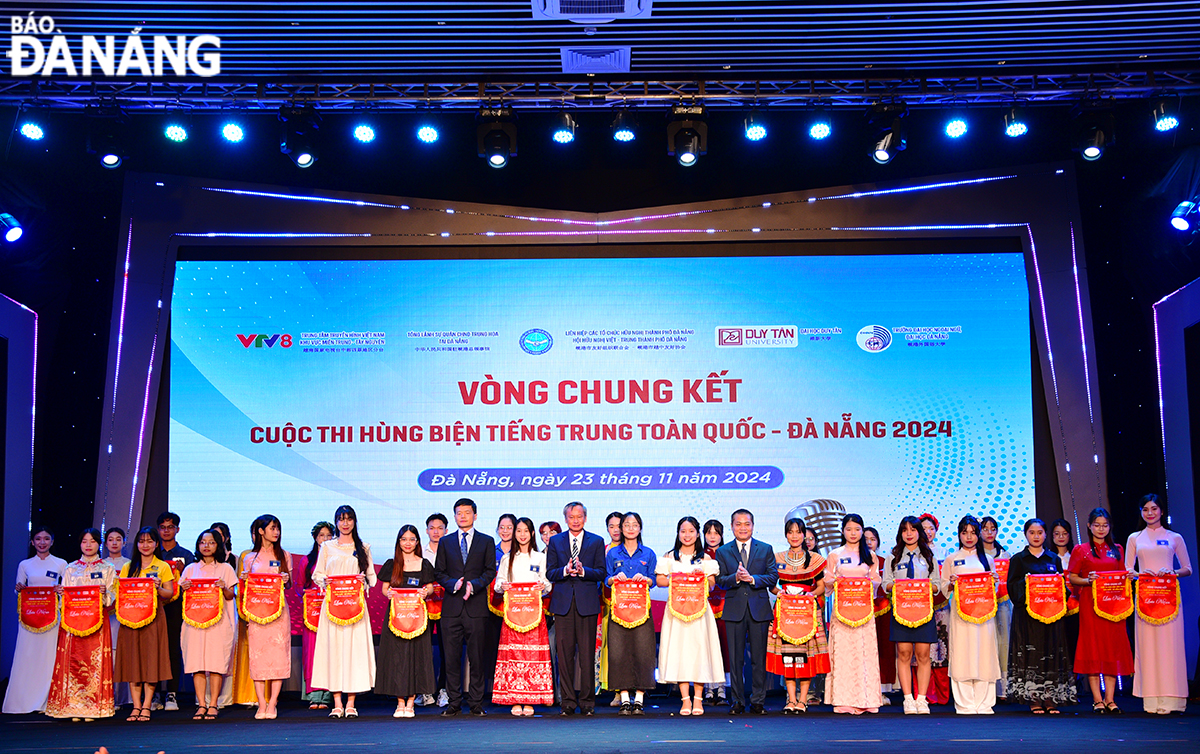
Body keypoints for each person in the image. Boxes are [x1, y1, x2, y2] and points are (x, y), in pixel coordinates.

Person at [1125, 494, 1192, 714]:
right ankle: (1151, 700)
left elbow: (1187, 568)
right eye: (1145, 509)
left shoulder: (1175, 537)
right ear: (1141, 512)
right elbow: (1128, 570)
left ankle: (1173, 701)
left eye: (1154, 509)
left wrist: (1172, 572)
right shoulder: (1135, 538)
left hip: (1169, 598)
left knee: (1170, 646)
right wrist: (1138, 574)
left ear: (1162, 511)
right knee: (1148, 647)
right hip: (1145, 598)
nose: (1150, 513)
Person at [433, 498, 497, 716]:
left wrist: (473, 585)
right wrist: (453, 584)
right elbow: (439, 572)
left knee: (477, 658)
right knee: (451, 659)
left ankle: (476, 703)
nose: (463, 516)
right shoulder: (445, 542)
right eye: (459, 513)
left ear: (475, 516)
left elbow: (489, 571)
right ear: (454, 516)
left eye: (467, 513)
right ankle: (454, 702)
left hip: (477, 608)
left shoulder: (486, 541)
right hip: (451, 609)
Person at [312, 504, 377, 718]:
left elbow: (372, 579)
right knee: (335, 651)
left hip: (355, 608)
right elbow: (317, 575)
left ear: (354, 522)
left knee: (353, 652)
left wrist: (363, 580)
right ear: (337, 522)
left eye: (349, 519)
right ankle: (337, 703)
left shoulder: (363, 547)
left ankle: (351, 703)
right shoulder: (327, 547)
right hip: (332, 607)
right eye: (341, 519)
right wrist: (326, 581)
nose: (345, 523)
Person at [46, 528, 118, 720]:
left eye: (92, 541)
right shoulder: (70, 568)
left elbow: (112, 598)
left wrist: (105, 593)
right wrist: (61, 593)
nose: (88, 545)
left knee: (94, 664)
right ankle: (72, 707)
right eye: (84, 541)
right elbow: (64, 600)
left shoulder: (107, 568)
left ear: (98, 544)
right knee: (73, 663)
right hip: (72, 624)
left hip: (97, 624)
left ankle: (94, 708)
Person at [1006, 518, 1076, 713]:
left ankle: (1051, 699)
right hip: (1027, 618)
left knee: (1050, 655)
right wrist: (1028, 584)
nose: (1036, 536)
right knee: (1032, 656)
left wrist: (1055, 585)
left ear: (1045, 535)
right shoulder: (1018, 559)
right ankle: (1034, 699)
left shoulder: (1054, 559)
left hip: (1051, 617)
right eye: (1032, 532)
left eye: (1040, 532)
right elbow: (1012, 589)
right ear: (1025, 535)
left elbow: (1064, 590)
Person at [1068, 507, 1134, 714]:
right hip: (1091, 605)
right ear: (1089, 526)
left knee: (1111, 650)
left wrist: (1128, 577)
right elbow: (1072, 577)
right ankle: (1097, 700)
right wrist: (1088, 580)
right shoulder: (1081, 550)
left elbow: (1123, 573)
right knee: (1093, 648)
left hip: (1114, 606)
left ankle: (1110, 699)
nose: (1101, 529)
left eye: (1105, 525)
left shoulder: (1118, 550)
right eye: (1097, 525)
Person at [656, 516, 723, 716]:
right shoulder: (669, 556)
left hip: (699, 612)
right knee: (680, 652)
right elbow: (659, 580)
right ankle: (685, 700)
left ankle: (698, 699)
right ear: (678, 533)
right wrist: (678, 579)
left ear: (697, 533)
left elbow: (711, 583)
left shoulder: (706, 559)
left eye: (691, 531)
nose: (687, 535)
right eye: (683, 531)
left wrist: (699, 577)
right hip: (676, 613)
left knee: (699, 652)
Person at [715, 509, 778, 714]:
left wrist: (752, 579)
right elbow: (720, 581)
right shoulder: (723, 551)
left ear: (753, 525)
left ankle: (758, 701)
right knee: (736, 659)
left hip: (759, 609)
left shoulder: (766, 549)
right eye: (738, 524)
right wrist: (735, 577)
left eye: (747, 524)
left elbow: (772, 577)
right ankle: (738, 701)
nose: (743, 527)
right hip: (734, 611)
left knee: (759, 659)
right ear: (732, 526)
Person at [546, 501, 606, 716]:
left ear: (585, 518)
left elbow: (601, 572)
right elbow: (550, 573)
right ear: (566, 519)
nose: (575, 520)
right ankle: (568, 703)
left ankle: (588, 703)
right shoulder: (555, 541)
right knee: (564, 656)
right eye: (571, 517)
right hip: (562, 606)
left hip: (587, 605)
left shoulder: (596, 541)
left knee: (587, 656)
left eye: (579, 516)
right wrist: (565, 570)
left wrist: (583, 571)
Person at [3, 525, 69, 714]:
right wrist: (19, 589)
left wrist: (60, 592)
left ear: (52, 541)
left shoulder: (61, 564)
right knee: (27, 658)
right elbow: (18, 592)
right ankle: (21, 703)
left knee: (49, 659)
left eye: (46, 538)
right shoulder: (25, 565)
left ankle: (47, 702)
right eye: (38, 539)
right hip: (29, 621)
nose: (42, 542)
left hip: (52, 619)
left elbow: (66, 592)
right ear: (32, 542)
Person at [492, 517, 554, 715]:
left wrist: (543, 586)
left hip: (534, 615)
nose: (522, 534)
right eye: (518, 531)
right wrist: (503, 586)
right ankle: (515, 699)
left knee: (533, 655)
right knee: (514, 655)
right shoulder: (506, 558)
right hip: (513, 615)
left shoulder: (540, 558)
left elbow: (548, 584)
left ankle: (531, 700)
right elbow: (497, 585)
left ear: (532, 533)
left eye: (526, 530)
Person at [767, 518, 829, 714]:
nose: (795, 536)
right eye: (791, 532)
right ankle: (791, 699)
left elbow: (820, 587)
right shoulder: (777, 558)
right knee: (788, 656)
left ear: (804, 535)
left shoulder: (815, 559)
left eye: (798, 532)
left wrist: (811, 595)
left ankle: (803, 700)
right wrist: (780, 593)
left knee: (806, 656)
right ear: (786, 535)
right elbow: (770, 584)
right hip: (785, 613)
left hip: (807, 613)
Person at [114, 526, 176, 721]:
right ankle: (136, 706)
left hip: (154, 619)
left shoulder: (163, 566)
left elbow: (170, 593)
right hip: (130, 619)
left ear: (156, 544)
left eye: (150, 541)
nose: (145, 545)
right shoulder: (128, 567)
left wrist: (158, 588)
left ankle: (147, 705)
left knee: (151, 662)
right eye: (142, 541)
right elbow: (121, 593)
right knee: (134, 662)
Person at [823, 513, 882, 714]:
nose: (853, 533)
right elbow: (827, 582)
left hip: (864, 612)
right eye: (849, 529)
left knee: (864, 654)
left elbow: (876, 580)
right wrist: (838, 582)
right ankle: (842, 699)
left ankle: (868, 699)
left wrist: (865, 584)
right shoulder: (834, 554)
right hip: (842, 613)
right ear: (842, 531)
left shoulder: (870, 555)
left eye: (857, 529)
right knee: (843, 655)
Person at [941, 515, 1001, 715]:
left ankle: (984, 703)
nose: (969, 537)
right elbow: (943, 589)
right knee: (963, 654)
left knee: (984, 654)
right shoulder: (951, 559)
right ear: (959, 534)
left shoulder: (988, 559)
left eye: (973, 533)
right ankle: (965, 703)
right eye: (964, 532)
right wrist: (950, 583)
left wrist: (994, 581)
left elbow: (995, 589)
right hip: (960, 616)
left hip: (984, 616)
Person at [376, 525, 437, 718]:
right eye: (404, 539)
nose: (408, 543)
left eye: (411, 539)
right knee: (397, 658)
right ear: (398, 542)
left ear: (417, 542)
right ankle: (399, 702)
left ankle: (411, 702)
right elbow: (385, 589)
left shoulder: (424, 564)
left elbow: (431, 589)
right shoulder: (391, 564)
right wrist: (390, 593)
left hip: (417, 619)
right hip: (396, 618)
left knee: (416, 657)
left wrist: (425, 592)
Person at [177, 529, 238, 720]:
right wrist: (184, 588)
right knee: (197, 664)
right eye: (203, 542)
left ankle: (214, 704)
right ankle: (201, 704)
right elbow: (182, 597)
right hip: (194, 623)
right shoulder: (190, 569)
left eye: (211, 542)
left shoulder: (226, 568)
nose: (206, 546)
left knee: (215, 664)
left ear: (218, 545)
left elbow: (231, 595)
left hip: (218, 623)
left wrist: (224, 587)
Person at [882, 516, 939, 714]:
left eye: (913, 529)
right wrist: (899, 586)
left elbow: (937, 586)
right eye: (905, 530)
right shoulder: (893, 557)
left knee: (923, 655)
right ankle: (908, 699)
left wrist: (923, 587)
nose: (909, 533)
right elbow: (885, 584)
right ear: (900, 533)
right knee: (904, 654)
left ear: (919, 532)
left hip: (924, 611)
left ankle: (921, 699)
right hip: (901, 612)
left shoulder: (929, 556)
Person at [603, 512, 657, 715]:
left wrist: (647, 580)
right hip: (619, 611)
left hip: (642, 611)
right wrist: (614, 578)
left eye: (635, 525)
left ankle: (640, 699)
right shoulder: (613, 553)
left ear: (640, 528)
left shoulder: (649, 553)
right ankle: (625, 698)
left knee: (644, 653)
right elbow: (606, 578)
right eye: (627, 525)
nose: (631, 528)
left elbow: (653, 578)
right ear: (621, 529)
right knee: (619, 653)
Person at [240, 514, 293, 719]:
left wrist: (286, 579)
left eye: (278, 528)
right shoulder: (249, 558)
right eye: (272, 528)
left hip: (278, 612)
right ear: (260, 531)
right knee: (258, 657)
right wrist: (244, 579)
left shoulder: (284, 555)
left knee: (278, 656)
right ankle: (261, 703)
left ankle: (272, 704)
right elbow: (246, 589)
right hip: (257, 612)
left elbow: (288, 586)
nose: (276, 532)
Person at [153, 512, 192, 712]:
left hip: (176, 609)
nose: (166, 530)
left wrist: (183, 570)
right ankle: (154, 694)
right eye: (162, 527)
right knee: (154, 650)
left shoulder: (186, 555)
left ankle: (172, 693)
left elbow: (193, 582)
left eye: (170, 527)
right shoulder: (152, 553)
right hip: (152, 608)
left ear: (177, 529)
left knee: (173, 650)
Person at [298, 521, 335, 710]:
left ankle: (329, 695)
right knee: (312, 652)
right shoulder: (307, 561)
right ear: (315, 538)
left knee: (330, 651)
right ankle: (314, 695)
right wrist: (309, 596)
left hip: (333, 611)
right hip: (312, 614)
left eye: (329, 536)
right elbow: (299, 587)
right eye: (322, 536)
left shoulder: (336, 558)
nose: (326, 539)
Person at [918, 512, 951, 705]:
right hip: (918, 607)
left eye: (931, 528)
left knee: (942, 651)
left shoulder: (944, 553)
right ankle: (925, 693)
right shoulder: (912, 553)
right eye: (923, 529)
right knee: (922, 652)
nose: (928, 532)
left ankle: (942, 694)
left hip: (941, 608)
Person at [980, 515, 1012, 699]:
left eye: (993, 529)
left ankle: (1004, 688)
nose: (989, 532)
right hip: (981, 604)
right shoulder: (975, 556)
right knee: (986, 642)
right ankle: (987, 687)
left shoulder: (1005, 555)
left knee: (1004, 643)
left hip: (1003, 603)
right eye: (985, 529)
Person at [863, 525, 895, 700]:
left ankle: (882, 690)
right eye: (865, 539)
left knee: (883, 649)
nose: (869, 543)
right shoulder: (856, 561)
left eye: (873, 539)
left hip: (883, 610)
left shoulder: (885, 562)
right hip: (860, 610)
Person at [702, 519, 730, 706]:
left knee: (724, 649)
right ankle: (707, 688)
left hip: (725, 606)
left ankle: (722, 689)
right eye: (709, 532)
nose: (713, 536)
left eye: (716, 533)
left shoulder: (728, 553)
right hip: (702, 607)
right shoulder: (698, 555)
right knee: (705, 648)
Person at [422, 513, 449, 707]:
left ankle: (443, 690)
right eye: (432, 528)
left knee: (447, 648)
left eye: (440, 528)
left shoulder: (452, 550)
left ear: (446, 530)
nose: (436, 531)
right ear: (426, 531)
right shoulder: (419, 552)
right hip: (422, 604)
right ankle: (424, 691)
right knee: (422, 649)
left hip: (447, 604)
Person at [103, 526, 132, 709]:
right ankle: (108, 696)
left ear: (123, 542)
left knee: (124, 652)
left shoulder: (130, 564)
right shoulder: (100, 564)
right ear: (106, 543)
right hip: (106, 615)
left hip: (126, 614)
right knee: (108, 654)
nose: (114, 542)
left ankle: (125, 697)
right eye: (111, 539)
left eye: (118, 539)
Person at [599, 510, 623, 705]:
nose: (616, 530)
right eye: (611, 526)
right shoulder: (604, 550)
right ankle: (615, 691)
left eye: (618, 525)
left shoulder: (634, 549)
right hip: (608, 606)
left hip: (632, 607)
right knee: (610, 648)